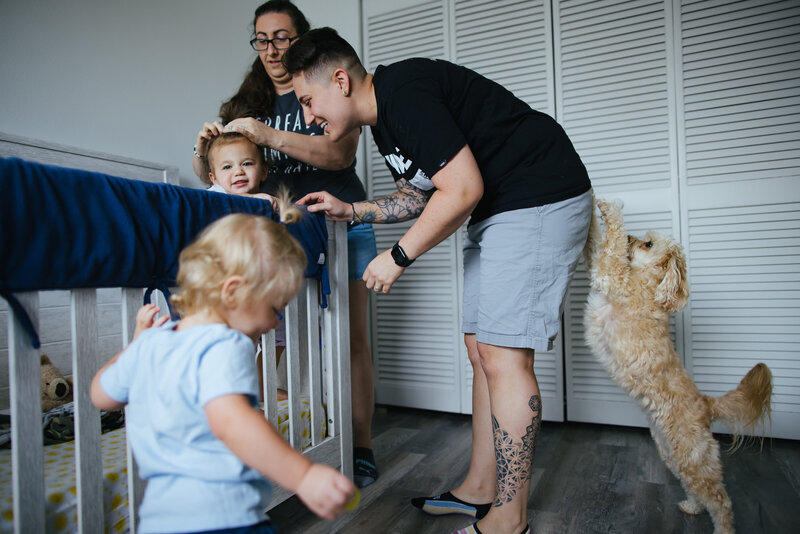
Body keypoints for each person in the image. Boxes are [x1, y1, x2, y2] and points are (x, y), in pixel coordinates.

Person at [283, 28, 592, 534]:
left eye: (308, 101)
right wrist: (355, 209)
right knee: (481, 349)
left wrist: (397, 257)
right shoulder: (386, 121)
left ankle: (509, 522)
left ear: (340, 81)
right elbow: (423, 193)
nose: (308, 117)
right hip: (501, 205)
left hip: (538, 194)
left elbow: (462, 187)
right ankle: (479, 490)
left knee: (504, 353)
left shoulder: (403, 94)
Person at [192, 0, 380, 487]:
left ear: (301, 38)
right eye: (262, 38)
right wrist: (204, 147)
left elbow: (339, 155)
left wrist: (267, 135)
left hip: (342, 224)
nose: (271, 48)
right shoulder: (244, 105)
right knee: (256, 333)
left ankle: (359, 444)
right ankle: (259, 432)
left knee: (351, 339)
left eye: (282, 37)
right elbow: (215, 173)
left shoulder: (321, 85)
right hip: (277, 236)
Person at [90, 213, 356, 534]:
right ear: (232, 291)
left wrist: (135, 345)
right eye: (275, 310)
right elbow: (231, 421)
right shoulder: (225, 341)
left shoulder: (152, 344)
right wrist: (302, 476)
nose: (275, 324)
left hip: (158, 521)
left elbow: (100, 395)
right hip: (222, 517)